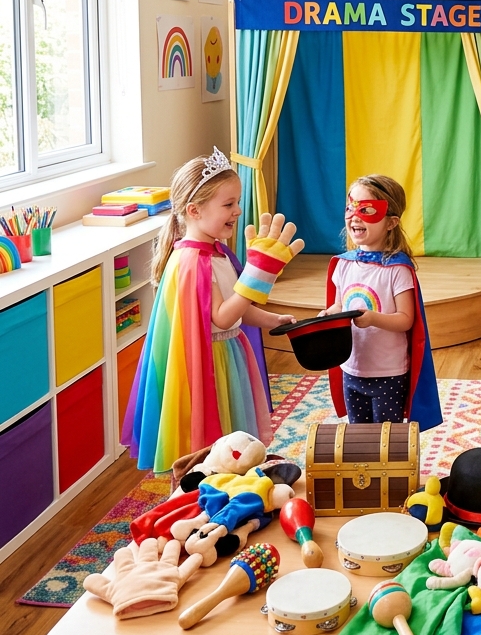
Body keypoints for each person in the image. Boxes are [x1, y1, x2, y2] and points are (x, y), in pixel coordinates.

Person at [122, 147, 302, 472]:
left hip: (228, 351)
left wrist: (271, 318)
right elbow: (223, 316)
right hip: (211, 361)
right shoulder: (194, 261)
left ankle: (231, 482)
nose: (238, 210)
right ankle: (209, 489)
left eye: (237, 201)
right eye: (228, 204)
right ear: (194, 210)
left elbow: (239, 308)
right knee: (214, 441)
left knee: (232, 437)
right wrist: (258, 274)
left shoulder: (216, 251)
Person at [321, 175, 442, 429]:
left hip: (388, 373)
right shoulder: (343, 264)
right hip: (352, 368)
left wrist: (373, 318)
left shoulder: (396, 269)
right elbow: (338, 306)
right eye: (350, 207)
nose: (355, 216)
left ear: (391, 222)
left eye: (366, 210)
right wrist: (327, 315)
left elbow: (406, 319)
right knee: (359, 437)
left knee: (386, 440)